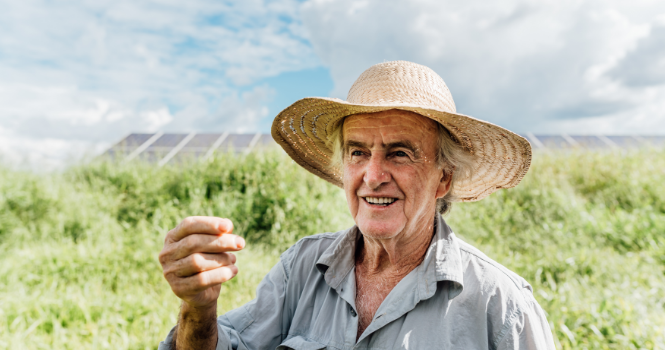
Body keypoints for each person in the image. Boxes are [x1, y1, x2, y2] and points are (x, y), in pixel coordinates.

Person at [158, 61, 555, 349]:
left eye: (399, 153)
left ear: (443, 179)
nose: (373, 174)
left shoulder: (499, 305)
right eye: (358, 152)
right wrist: (198, 308)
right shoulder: (302, 268)